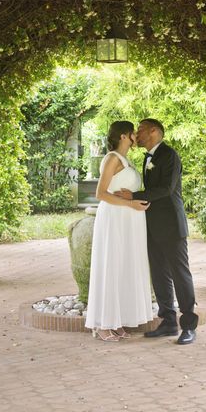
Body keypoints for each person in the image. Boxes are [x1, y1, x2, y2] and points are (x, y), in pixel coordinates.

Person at [117, 118, 198, 345]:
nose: (136, 134)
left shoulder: (169, 155)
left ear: (153, 131)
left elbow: (166, 189)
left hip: (172, 225)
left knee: (180, 275)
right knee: (160, 275)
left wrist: (133, 196)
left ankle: (189, 326)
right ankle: (168, 321)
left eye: (140, 130)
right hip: (152, 226)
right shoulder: (148, 157)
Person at [84, 121, 153, 342]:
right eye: (132, 132)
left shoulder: (126, 160)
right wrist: (131, 205)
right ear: (123, 136)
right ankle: (104, 324)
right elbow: (101, 193)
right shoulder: (112, 158)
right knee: (112, 265)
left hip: (130, 221)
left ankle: (118, 320)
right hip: (115, 218)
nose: (135, 136)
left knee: (125, 266)